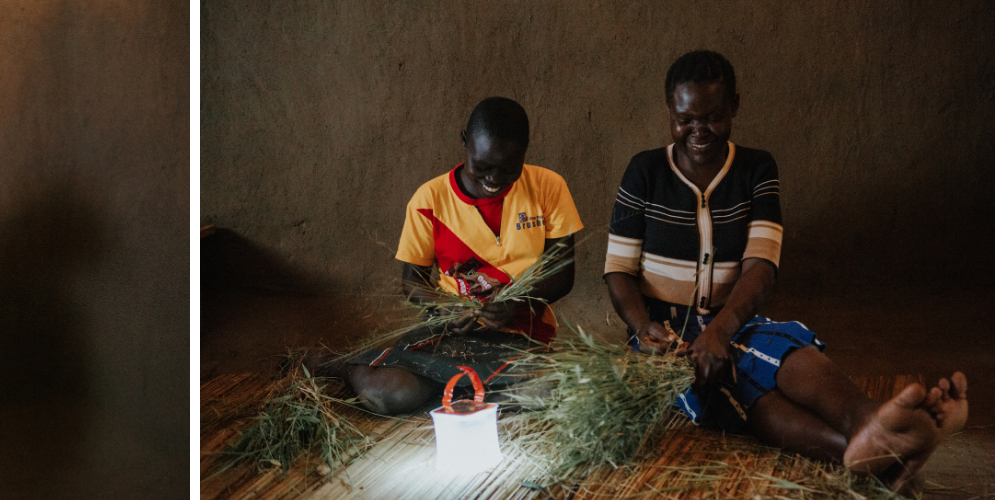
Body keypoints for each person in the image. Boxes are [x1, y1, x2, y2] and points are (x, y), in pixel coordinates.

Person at [603, 50, 968, 491]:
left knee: (790, 354)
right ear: (669, 112)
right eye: (685, 119)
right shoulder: (644, 171)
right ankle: (877, 452)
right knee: (730, 388)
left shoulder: (757, 169)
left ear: (735, 105)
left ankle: (868, 417)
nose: (698, 131)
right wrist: (643, 329)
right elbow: (618, 270)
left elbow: (761, 268)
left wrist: (719, 331)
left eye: (714, 117)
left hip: (735, 316)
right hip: (666, 337)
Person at [319, 97, 583, 415]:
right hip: (449, 332)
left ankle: (452, 393)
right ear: (464, 142)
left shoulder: (549, 187)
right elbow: (412, 283)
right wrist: (449, 307)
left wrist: (516, 304)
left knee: (544, 390)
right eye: (482, 167)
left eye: (508, 169)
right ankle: (340, 366)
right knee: (387, 393)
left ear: (525, 151)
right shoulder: (429, 199)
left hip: (523, 332)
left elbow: (562, 276)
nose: (493, 179)